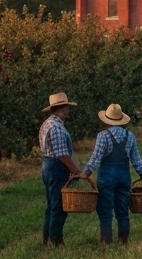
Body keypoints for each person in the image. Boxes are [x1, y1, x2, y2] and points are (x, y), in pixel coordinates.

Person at [82, 103, 142, 245]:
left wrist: (85, 173)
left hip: (107, 178)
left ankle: (106, 241)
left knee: (105, 210)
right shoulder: (129, 136)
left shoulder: (103, 136)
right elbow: (135, 158)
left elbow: (96, 158)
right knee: (122, 211)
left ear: (106, 119)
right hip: (123, 177)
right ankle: (123, 240)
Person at [39, 92, 87, 246]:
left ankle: (46, 238)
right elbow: (63, 155)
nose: (68, 109)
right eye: (67, 106)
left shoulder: (47, 124)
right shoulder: (56, 128)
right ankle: (56, 240)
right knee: (59, 206)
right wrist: (77, 171)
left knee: (51, 205)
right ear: (62, 108)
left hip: (47, 165)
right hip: (56, 167)